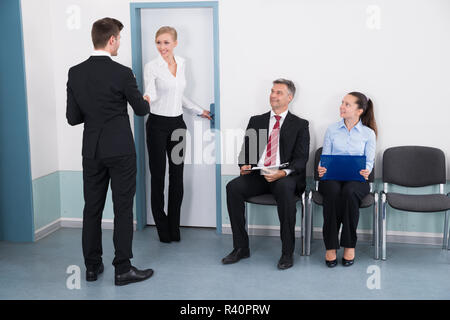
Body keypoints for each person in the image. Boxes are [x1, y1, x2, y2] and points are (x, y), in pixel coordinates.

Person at [66, 17, 154, 286]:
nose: (119, 45)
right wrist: (145, 99)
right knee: (123, 208)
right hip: (120, 149)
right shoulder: (123, 72)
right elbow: (140, 110)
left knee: (91, 208)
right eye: (119, 40)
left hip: (92, 150)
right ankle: (122, 269)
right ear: (112, 39)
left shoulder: (75, 72)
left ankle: (92, 268)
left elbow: (72, 117)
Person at [222, 79, 310, 270]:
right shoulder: (257, 120)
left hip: (284, 176)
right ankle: (240, 248)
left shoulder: (300, 124)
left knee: (286, 190)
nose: (273, 95)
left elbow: (301, 159)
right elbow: (246, 152)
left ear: (289, 97)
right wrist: (244, 164)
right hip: (259, 174)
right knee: (233, 187)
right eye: (272, 91)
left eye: (278, 92)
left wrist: (282, 173)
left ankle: (287, 252)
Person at [143, 26, 212, 243]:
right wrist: (145, 98)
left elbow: (179, 95)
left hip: (178, 125)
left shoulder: (182, 63)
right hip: (156, 124)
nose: (162, 47)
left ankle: (174, 226)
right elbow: (151, 93)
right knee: (157, 177)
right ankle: (162, 228)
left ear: (175, 43)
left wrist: (200, 111)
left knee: (177, 177)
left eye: (166, 42)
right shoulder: (151, 66)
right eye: (158, 42)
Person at [317, 92, 377, 268]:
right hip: (332, 177)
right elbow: (325, 155)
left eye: (347, 104)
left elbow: (369, 161)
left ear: (359, 110)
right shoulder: (332, 130)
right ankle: (331, 246)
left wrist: (367, 171)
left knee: (350, 192)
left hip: (356, 180)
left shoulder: (368, 133)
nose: (342, 106)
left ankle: (349, 244)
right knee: (333, 192)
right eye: (342, 103)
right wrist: (322, 167)